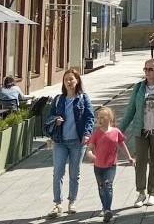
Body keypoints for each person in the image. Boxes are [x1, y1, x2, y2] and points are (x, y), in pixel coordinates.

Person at [119, 58, 154, 208]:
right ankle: (141, 193)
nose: (147, 72)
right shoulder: (139, 87)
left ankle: (152, 193)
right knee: (140, 163)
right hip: (141, 131)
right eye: (145, 69)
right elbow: (131, 110)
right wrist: (119, 130)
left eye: (150, 69)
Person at [45, 69, 95, 218]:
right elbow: (49, 117)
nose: (69, 82)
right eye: (66, 79)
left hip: (78, 142)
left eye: (71, 79)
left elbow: (90, 117)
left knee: (74, 173)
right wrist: (56, 120)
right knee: (58, 172)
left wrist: (87, 134)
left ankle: (72, 202)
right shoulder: (58, 99)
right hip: (60, 141)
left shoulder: (83, 98)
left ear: (77, 81)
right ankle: (57, 204)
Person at [86, 106, 134, 222]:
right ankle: (105, 207)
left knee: (108, 185)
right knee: (101, 188)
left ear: (109, 118)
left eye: (102, 117)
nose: (99, 120)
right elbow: (89, 149)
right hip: (98, 166)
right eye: (98, 118)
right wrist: (90, 155)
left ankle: (107, 210)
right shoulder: (96, 133)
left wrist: (129, 157)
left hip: (111, 166)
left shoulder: (116, 132)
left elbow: (122, 144)